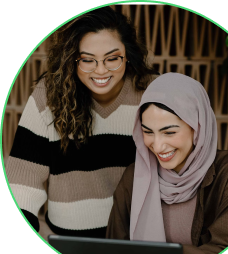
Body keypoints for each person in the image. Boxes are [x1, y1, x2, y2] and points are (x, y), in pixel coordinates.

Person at [5, 6, 158, 238]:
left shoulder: (152, 92)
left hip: (137, 244)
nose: (100, 71)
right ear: (72, 59)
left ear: (128, 55)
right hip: (65, 246)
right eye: (87, 60)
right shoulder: (48, 96)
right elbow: (22, 184)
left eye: (112, 58)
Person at [106, 73, 228, 254]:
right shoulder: (134, 176)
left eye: (169, 132)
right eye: (147, 132)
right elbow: (114, 249)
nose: (158, 146)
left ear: (198, 127)